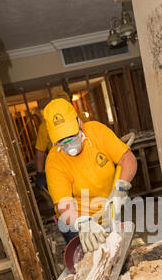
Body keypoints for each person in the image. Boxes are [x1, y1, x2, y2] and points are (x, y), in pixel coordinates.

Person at [43, 98, 137, 253]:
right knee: (90, 265)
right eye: (62, 141)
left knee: (117, 255)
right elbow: (63, 203)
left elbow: (128, 159)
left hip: (109, 209)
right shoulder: (54, 162)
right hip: (77, 222)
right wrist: (82, 222)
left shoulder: (97, 132)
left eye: (72, 136)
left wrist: (121, 188)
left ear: (79, 123)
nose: (69, 144)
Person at [34, 90, 71, 190]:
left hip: (66, 166)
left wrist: (39, 173)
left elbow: (40, 152)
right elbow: (40, 152)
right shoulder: (80, 118)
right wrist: (40, 174)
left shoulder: (80, 119)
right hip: (61, 167)